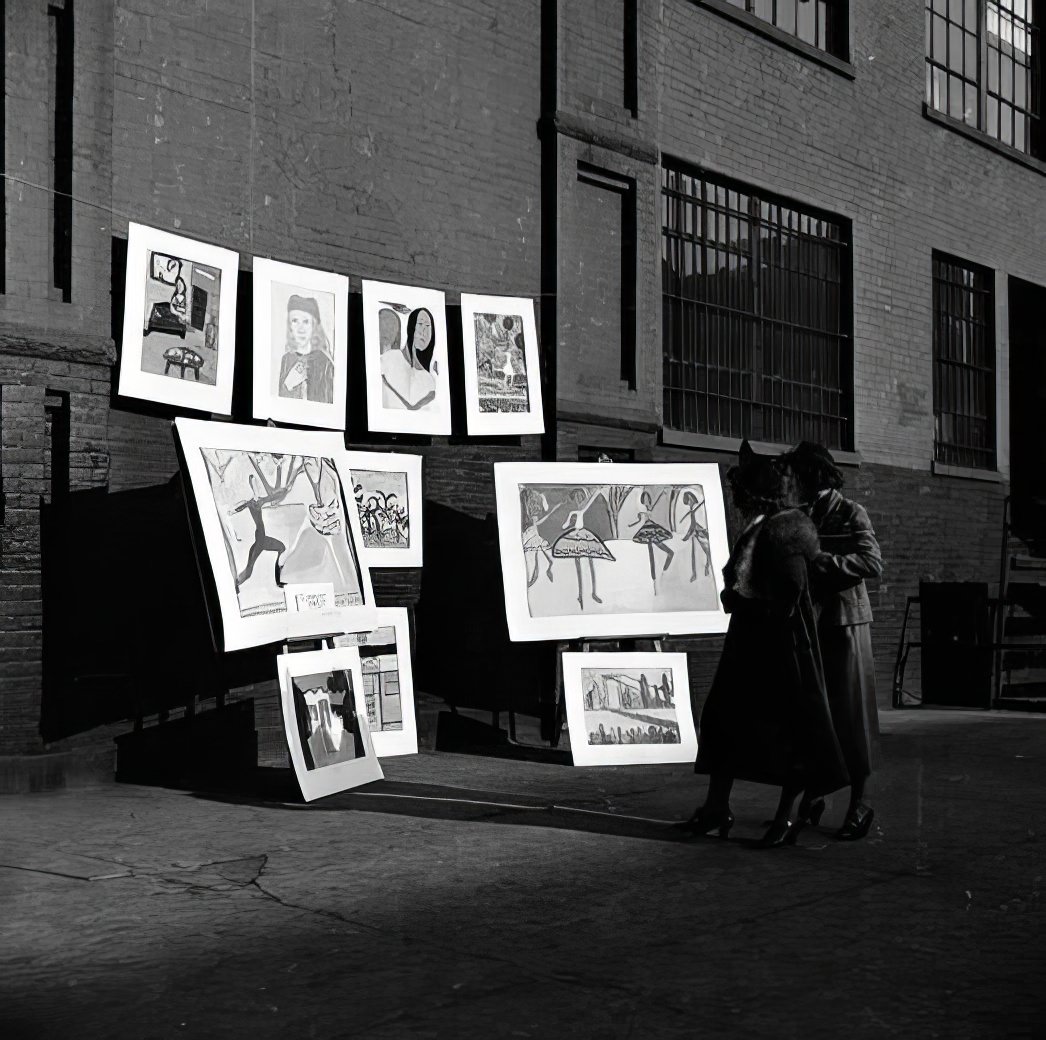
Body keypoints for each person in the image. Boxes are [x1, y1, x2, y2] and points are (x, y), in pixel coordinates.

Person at [678, 441, 849, 848]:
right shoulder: (764, 522)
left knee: (790, 731)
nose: (738, 500)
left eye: (744, 493)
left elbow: (792, 589)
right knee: (722, 719)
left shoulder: (788, 526)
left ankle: (785, 819)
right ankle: (717, 807)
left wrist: (754, 605)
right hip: (749, 641)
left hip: (779, 644)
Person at [786, 441, 884, 842]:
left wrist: (827, 564)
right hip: (812, 624)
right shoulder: (800, 515)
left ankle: (859, 803)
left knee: (852, 716)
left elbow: (872, 561)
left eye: (798, 475)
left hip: (846, 625)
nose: (792, 483)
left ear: (815, 476)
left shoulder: (849, 511)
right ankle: (816, 790)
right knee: (814, 713)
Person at [278, 294, 335, 404]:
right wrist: (289, 385)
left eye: (305, 321)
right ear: (289, 326)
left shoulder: (325, 362)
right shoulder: (286, 359)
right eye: (295, 321)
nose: (300, 329)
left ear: (313, 325)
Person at [381, 306, 438, 411]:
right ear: (411, 327)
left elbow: (412, 406)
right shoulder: (389, 358)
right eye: (420, 324)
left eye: (428, 326)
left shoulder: (429, 380)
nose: (424, 332)